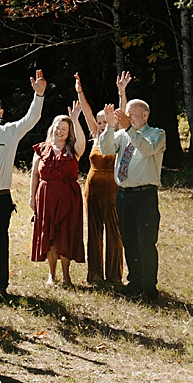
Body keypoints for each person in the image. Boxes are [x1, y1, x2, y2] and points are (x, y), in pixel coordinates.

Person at [0, 70, 46, 298]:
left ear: (0, 112)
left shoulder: (9, 132)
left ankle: (0, 286)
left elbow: (31, 119)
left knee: (1, 242)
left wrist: (38, 96)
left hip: (0, 197)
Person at [99, 98, 166, 301]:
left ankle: (149, 288)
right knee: (129, 241)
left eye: (132, 114)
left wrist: (129, 129)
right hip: (124, 195)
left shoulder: (157, 134)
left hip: (145, 195)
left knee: (146, 242)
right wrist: (110, 126)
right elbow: (106, 148)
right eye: (126, 114)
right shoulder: (122, 135)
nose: (127, 118)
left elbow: (146, 149)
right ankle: (134, 281)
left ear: (145, 115)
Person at [70, 72, 127, 284]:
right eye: (100, 122)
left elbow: (122, 113)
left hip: (113, 188)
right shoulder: (95, 135)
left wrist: (122, 91)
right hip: (92, 187)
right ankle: (94, 275)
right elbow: (86, 112)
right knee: (94, 230)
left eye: (106, 122)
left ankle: (114, 276)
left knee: (114, 231)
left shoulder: (118, 136)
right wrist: (79, 91)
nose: (102, 125)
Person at [29, 115, 85, 286]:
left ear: (69, 133)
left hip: (68, 197)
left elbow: (82, 142)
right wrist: (32, 197)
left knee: (66, 234)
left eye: (64, 129)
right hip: (46, 196)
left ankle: (67, 276)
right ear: (52, 128)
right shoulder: (42, 149)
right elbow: (35, 174)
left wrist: (75, 119)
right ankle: (52, 276)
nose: (59, 131)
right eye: (57, 127)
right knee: (49, 236)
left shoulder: (74, 150)